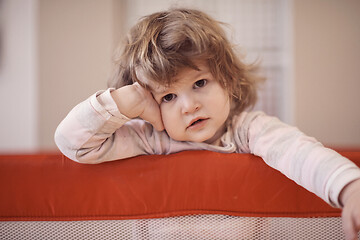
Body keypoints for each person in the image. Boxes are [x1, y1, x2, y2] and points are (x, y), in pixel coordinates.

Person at [54, 8, 360, 240]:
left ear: (228, 80)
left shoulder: (247, 131)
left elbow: (298, 152)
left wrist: (351, 189)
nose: (190, 106)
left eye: (200, 82)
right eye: (169, 97)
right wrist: (125, 101)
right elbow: (73, 144)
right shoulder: (150, 140)